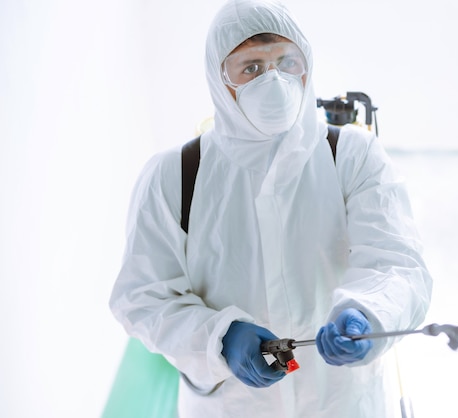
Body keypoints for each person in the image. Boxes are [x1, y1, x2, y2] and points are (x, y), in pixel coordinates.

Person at [109, 0, 433, 416]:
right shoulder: (174, 176)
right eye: (252, 68)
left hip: (341, 402)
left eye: (286, 61)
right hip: (236, 406)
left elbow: (398, 264)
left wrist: (366, 312)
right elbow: (141, 298)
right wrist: (219, 337)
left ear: (306, 65)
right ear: (220, 81)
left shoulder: (352, 157)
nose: (275, 80)